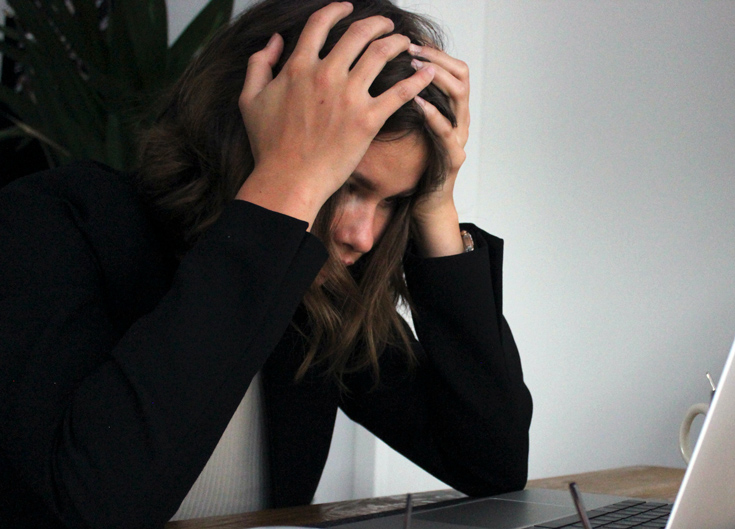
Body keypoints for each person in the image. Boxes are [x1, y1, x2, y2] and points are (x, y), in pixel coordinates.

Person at [0, 1, 532, 527]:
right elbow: (86, 508)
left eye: (394, 201)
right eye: (344, 183)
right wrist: (286, 189)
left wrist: (437, 206)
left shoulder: (316, 290)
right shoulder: (54, 221)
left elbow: (491, 464)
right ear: (246, 129)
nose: (362, 236)